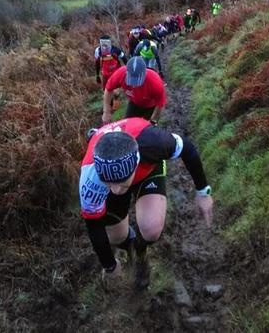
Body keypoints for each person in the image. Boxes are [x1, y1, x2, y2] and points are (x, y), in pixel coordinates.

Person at [79, 118, 214, 288]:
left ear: (135, 165)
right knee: (116, 236)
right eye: (108, 183)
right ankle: (130, 244)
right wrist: (110, 266)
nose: (115, 190)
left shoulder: (153, 143)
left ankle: (141, 248)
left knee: (151, 229)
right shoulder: (90, 176)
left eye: (121, 183)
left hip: (148, 168)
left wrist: (203, 192)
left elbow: (187, 149)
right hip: (113, 169)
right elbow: (94, 225)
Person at [102, 57, 166, 125]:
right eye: (131, 82)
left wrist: (153, 120)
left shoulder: (155, 82)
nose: (134, 86)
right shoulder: (120, 74)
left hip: (150, 106)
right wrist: (106, 111)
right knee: (127, 125)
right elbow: (108, 89)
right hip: (134, 103)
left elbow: (160, 105)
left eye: (137, 82)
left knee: (144, 129)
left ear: (144, 75)